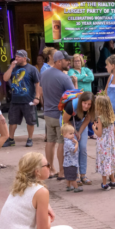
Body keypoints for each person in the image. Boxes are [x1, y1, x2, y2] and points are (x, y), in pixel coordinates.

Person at [40, 51, 77, 179]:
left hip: (47, 113)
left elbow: (41, 90)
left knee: (50, 141)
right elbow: (73, 95)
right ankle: (61, 171)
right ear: (59, 61)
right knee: (62, 142)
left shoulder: (44, 74)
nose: (69, 62)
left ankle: (50, 170)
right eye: (67, 60)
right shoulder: (64, 77)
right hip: (60, 114)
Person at [3, 50, 40, 148]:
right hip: (15, 100)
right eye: (16, 57)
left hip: (29, 100)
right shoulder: (13, 68)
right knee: (12, 121)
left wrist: (37, 97)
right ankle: (11, 139)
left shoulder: (32, 69)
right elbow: (5, 78)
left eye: (18, 57)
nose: (16, 58)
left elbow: (38, 84)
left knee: (30, 121)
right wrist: (11, 67)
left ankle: (30, 139)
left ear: (24, 58)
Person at [61, 90, 94, 186]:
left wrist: (79, 131)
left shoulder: (90, 108)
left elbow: (87, 119)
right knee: (75, 149)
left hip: (81, 123)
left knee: (83, 148)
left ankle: (83, 174)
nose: (86, 106)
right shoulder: (71, 106)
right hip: (69, 124)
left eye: (89, 104)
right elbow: (65, 119)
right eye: (85, 103)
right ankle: (75, 175)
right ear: (81, 102)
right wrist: (74, 132)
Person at [93, 94, 115, 190]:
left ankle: (104, 184)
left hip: (103, 144)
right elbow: (114, 130)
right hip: (110, 144)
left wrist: (94, 128)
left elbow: (99, 133)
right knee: (110, 162)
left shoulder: (100, 118)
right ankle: (113, 181)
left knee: (104, 163)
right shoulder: (111, 117)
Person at [62, 123, 80, 192]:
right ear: (64, 134)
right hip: (71, 163)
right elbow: (73, 150)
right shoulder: (69, 143)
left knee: (68, 176)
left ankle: (68, 186)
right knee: (73, 176)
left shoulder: (67, 141)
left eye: (73, 133)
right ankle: (76, 187)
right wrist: (77, 144)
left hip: (66, 163)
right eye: (70, 133)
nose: (73, 135)